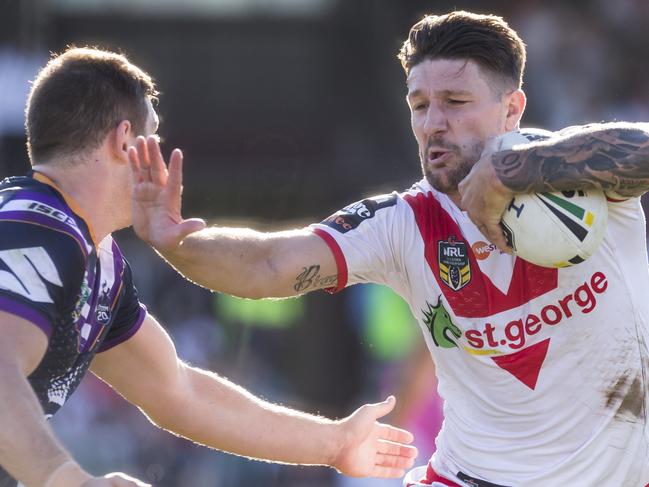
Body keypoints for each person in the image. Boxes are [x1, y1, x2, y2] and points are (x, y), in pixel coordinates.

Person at [129, 9, 649, 486]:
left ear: (512, 108)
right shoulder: (403, 222)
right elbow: (271, 262)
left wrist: (509, 171)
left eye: (456, 103)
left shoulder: (579, 177)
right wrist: (176, 242)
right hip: (470, 477)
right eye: (420, 105)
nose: (432, 124)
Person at [0, 46, 419, 487]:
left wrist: (335, 442)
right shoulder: (37, 228)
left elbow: (179, 393)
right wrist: (68, 480)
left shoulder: (93, 256)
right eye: (155, 139)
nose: (161, 158)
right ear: (125, 142)